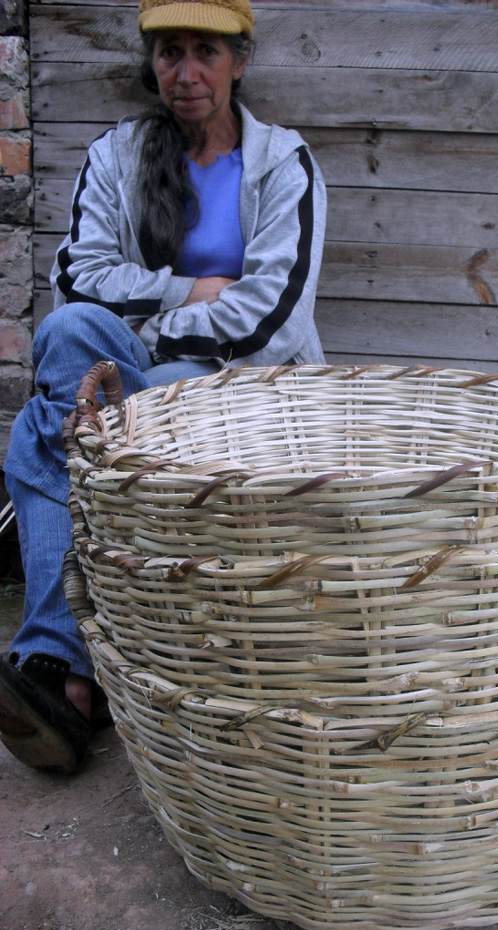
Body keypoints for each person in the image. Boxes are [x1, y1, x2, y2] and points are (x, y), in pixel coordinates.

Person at [0, 0, 326, 774]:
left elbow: (272, 315)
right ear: (151, 62)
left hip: (250, 386)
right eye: (170, 52)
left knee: (39, 432)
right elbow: (78, 278)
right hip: (146, 365)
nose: (186, 74)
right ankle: (76, 674)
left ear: (240, 61)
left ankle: (64, 670)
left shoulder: (285, 165)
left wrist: (148, 322)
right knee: (65, 333)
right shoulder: (117, 154)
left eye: (206, 53)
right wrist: (195, 289)